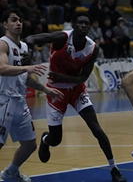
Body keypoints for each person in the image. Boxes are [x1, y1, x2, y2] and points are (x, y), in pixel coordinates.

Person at [24, 12, 127, 182]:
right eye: (80, 22)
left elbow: (83, 78)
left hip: (77, 90)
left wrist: (65, 78)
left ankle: (114, 169)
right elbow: (31, 38)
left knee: (97, 130)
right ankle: (45, 140)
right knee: (55, 139)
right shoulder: (61, 38)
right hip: (55, 92)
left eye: (86, 23)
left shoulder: (93, 48)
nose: (84, 25)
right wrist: (29, 52)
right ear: (73, 25)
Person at [0, 8, 63, 182]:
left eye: (19, 20)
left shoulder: (25, 47)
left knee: (29, 145)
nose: (18, 23)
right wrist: (26, 67)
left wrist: (46, 89)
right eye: (13, 20)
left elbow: (23, 78)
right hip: (4, 101)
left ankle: (10, 173)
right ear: (5, 25)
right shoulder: (3, 43)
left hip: (20, 101)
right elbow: (2, 69)